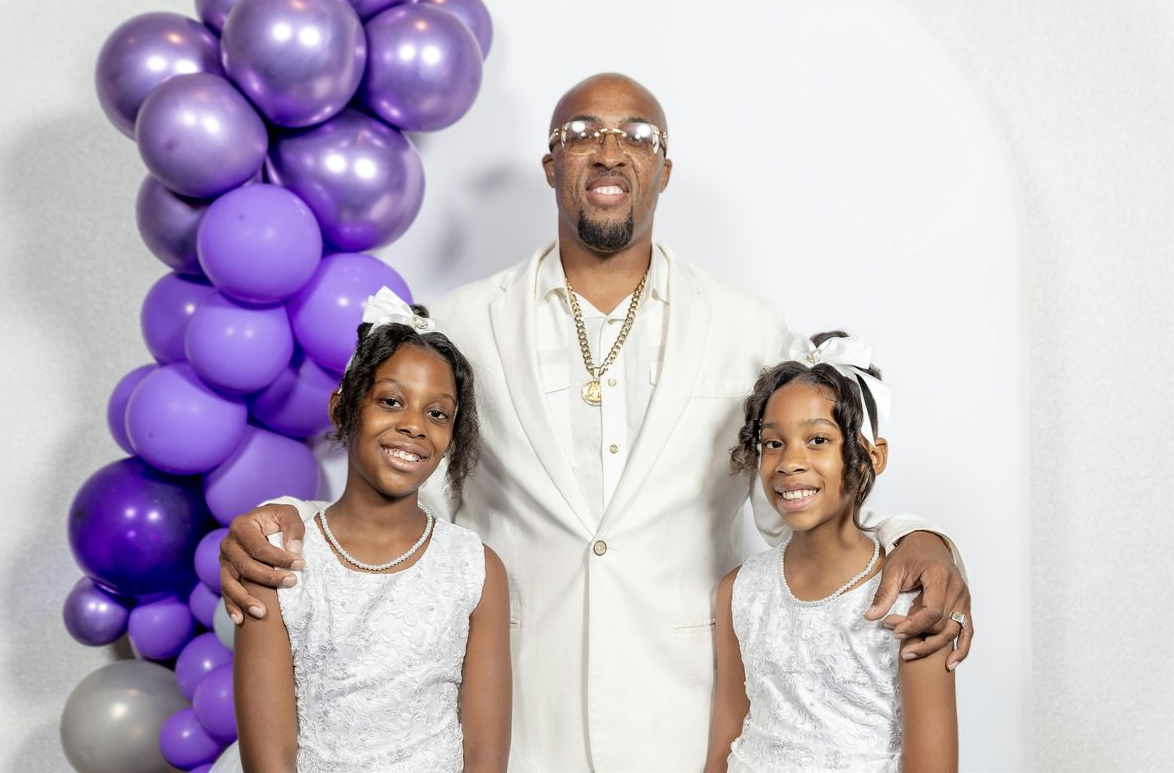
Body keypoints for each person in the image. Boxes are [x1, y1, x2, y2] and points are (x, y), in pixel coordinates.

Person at [220, 73, 972, 771]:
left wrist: (918, 538)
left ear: (664, 171)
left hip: (688, 717)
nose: (610, 150)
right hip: (518, 716)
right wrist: (288, 521)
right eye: (582, 132)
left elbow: (810, 489)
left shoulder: (747, 326)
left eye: (638, 135)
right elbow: (409, 509)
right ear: (552, 166)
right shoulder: (462, 323)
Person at [231, 289, 511, 772]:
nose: (414, 426)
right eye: (391, 401)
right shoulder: (277, 559)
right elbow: (269, 760)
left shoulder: (476, 569)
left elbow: (486, 757)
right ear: (343, 407)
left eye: (437, 413)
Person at [706, 332, 958, 772]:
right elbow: (726, 735)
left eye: (818, 440)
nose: (789, 462)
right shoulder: (738, 591)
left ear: (872, 455)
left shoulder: (915, 598)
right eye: (773, 443)